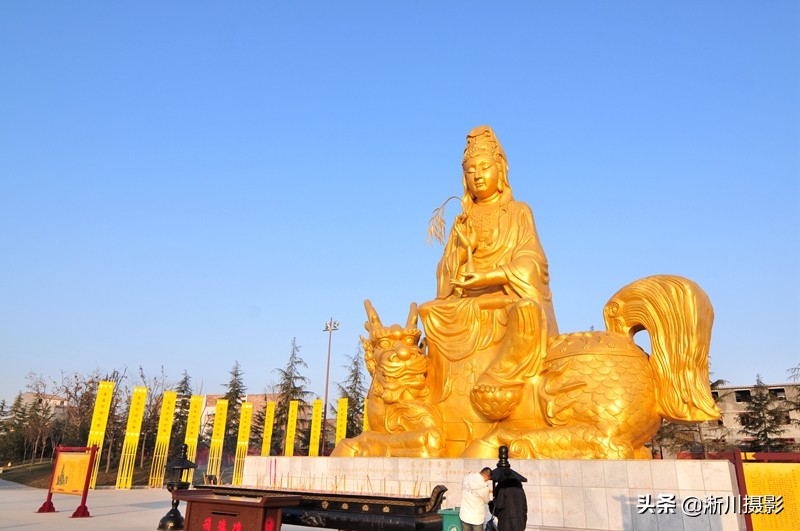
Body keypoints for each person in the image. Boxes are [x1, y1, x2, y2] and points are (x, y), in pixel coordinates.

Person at [419, 125, 559, 453]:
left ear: (501, 169)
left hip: (505, 295)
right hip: (467, 304)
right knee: (430, 310)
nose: (478, 177)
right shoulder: (462, 221)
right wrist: (458, 253)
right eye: (470, 171)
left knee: (525, 312)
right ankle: (447, 408)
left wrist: (490, 276)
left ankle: (504, 386)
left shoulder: (518, 212)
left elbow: (533, 262)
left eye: (484, 168)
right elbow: (446, 276)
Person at [459, 467, 493, 531]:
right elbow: (486, 501)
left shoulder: (467, 477)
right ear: (487, 477)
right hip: (477, 518)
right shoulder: (485, 488)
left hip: (464, 515)